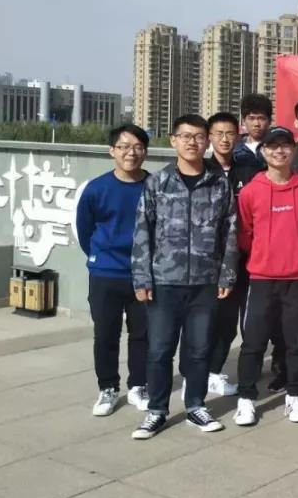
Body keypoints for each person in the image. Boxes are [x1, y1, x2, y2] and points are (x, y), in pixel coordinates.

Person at [130, 115, 238, 440]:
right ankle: (157, 410)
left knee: (200, 349)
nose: (192, 142)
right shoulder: (158, 183)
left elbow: (230, 231)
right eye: (186, 136)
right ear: (173, 140)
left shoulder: (219, 184)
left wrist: (227, 275)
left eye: (199, 136)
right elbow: (142, 231)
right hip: (164, 281)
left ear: (207, 142)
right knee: (160, 350)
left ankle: (195, 405)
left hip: (205, 282)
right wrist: (141, 278)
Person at [232, 126, 298, 427]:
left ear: (293, 151)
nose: (279, 151)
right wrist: (264, 255)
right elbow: (245, 234)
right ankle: (246, 398)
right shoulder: (251, 191)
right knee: (253, 342)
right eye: (272, 146)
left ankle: (294, 394)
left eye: (285, 145)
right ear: (263, 151)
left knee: (295, 341)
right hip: (261, 278)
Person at [76, 124, 151, 417]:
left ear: (145, 152)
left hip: (143, 274)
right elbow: (85, 230)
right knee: (106, 334)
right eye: (124, 147)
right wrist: (101, 257)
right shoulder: (97, 188)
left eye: (138, 147)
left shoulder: (155, 186)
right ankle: (107, 388)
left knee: (143, 335)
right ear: (112, 151)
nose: (131, 153)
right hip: (106, 274)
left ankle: (138, 385)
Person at [201, 111, 253, 399]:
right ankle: (197, 373)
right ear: (209, 137)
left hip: (240, 258)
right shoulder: (200, 169)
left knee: (227, 322)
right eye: (218, 133)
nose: (224, 139)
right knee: (202, 321)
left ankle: (213, 372)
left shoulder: (248, 171)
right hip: (207, 259)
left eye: (230, 133)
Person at [233, 93, 272, 171]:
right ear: (243, 121)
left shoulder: (277, 147)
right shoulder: (234, 148)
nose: (256, 124)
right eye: (251, 118)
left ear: (269, 121)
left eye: (261, 118)